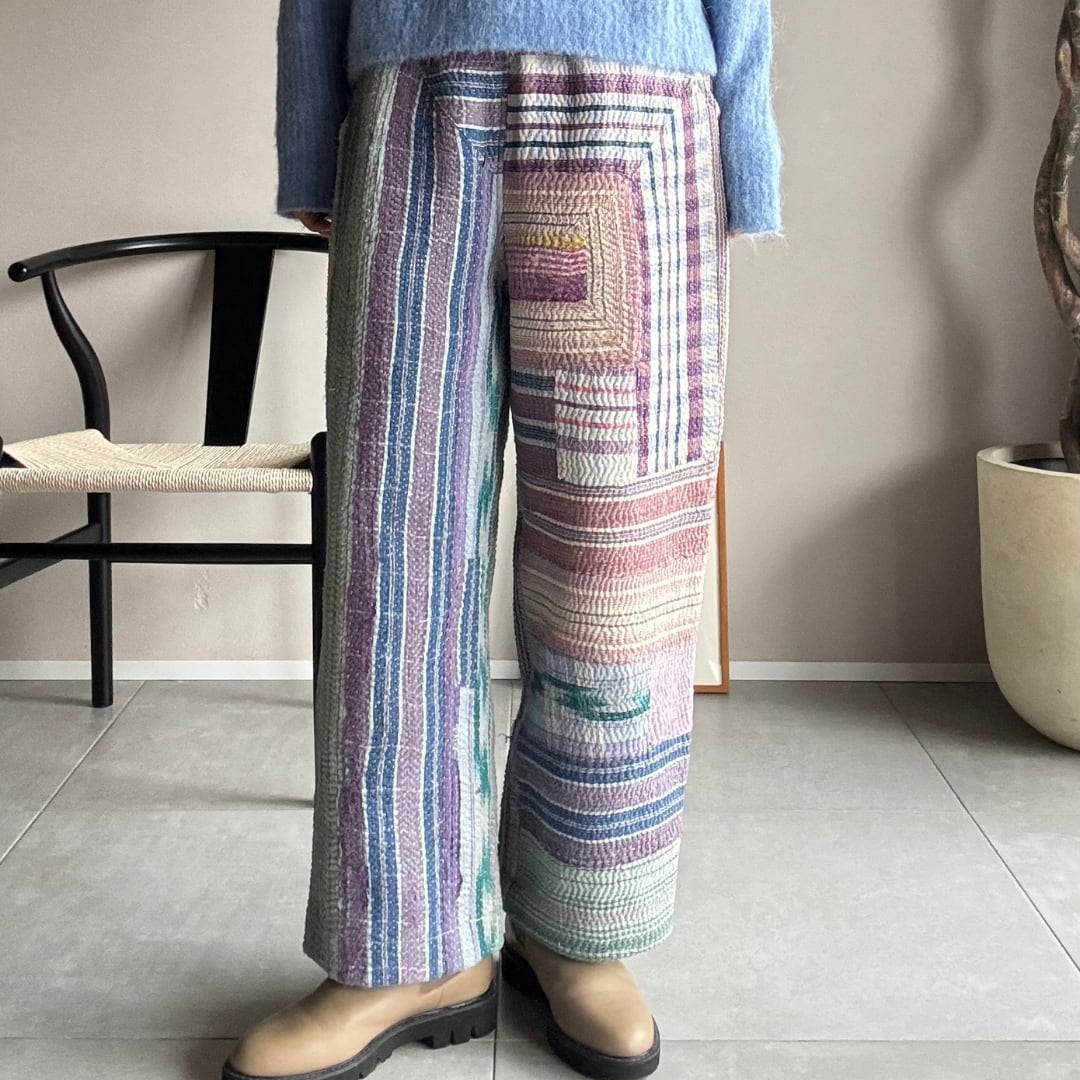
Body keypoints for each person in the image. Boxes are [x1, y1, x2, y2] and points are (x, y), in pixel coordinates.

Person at [223, 3, 781, 1078]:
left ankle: (577, 928)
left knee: (618, 565)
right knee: (393, 554)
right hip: (413, 103)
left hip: (641, 107)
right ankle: (404, 952)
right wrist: (309, 139)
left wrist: (746, 151)